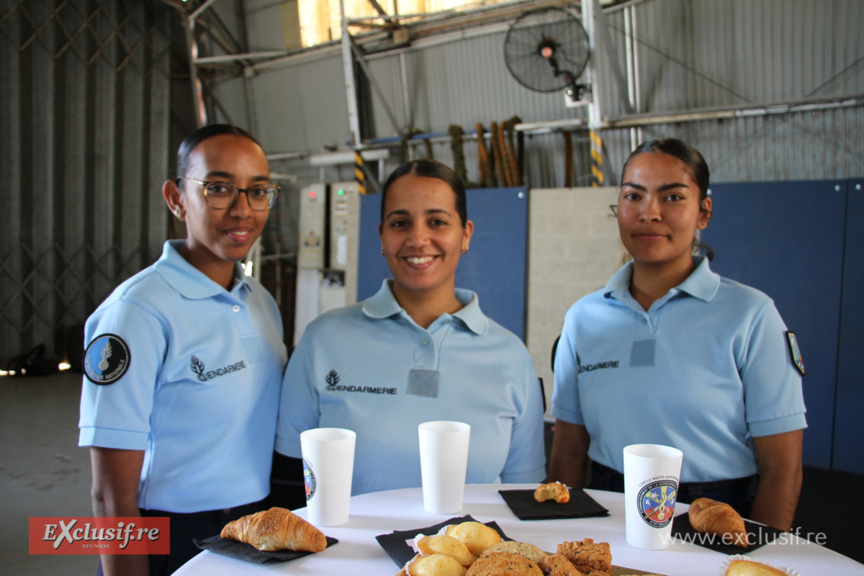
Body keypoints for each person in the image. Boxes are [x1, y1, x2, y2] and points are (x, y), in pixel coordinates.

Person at [548, 139, 806, 531]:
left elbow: (782, 468)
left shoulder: (751, 315)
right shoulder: (584, 318)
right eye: (634, 195)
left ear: (704, 212)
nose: (649, 213)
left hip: (714, 513)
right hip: (607, 511)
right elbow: (568, 451)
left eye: (671, 196)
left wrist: (761, 559)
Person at [78, 124, 288, 575]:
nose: (242, 210)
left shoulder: (260, 301)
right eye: (218, 188)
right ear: (176, 199)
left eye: (257, 192)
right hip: (171, 536)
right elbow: (110, 496)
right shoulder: (136, 314)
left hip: (256, 528)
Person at [276, 159, 546, 496]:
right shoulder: (323, 340)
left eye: (437, 221)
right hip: (348, 549)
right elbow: (290, 479)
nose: (418, 239)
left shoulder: (510, 356)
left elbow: (523, 495)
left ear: (465, 235)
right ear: (382, 236)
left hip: (470, 549)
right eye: (400, 223)